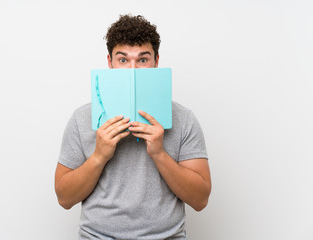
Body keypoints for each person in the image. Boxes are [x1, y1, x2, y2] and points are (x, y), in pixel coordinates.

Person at [55, 14, 211, 239]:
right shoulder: (82, 118)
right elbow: (64, 198)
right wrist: (99, 155)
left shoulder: (184, 119)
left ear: (156, 62)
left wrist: (159, 153)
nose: (133, 70)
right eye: (123, 60)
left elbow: (201, 200)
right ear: (109, 63)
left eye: (143, 60)